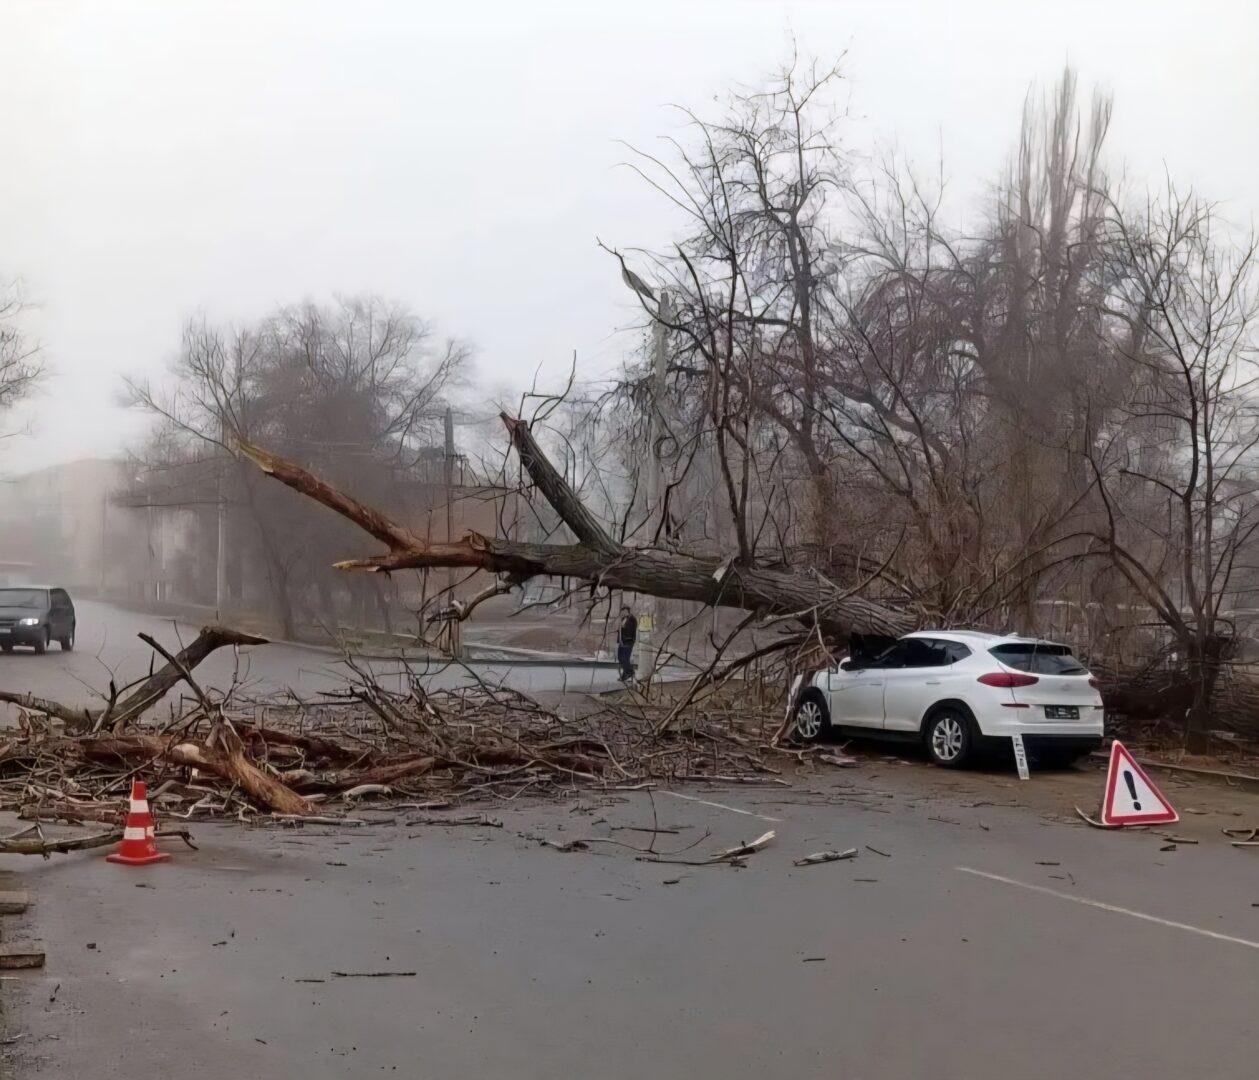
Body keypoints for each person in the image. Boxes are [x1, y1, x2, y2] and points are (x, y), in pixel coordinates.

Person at [616, 607, 638, 682]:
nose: (623, 613)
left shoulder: (632, 619)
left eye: (624, 611)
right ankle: (628, 672)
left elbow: (630, 630)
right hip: (622, 641)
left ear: (628, 611)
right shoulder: (623, 619)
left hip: (628, 641)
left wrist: (623, 628)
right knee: (620, 657)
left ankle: (628, 673)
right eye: (622, 612)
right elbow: (621, 630)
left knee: (625, 658)